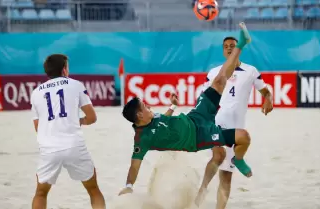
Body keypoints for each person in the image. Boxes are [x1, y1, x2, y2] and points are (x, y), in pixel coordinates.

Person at [118, 23, 252, 196]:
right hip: (198, 136)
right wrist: (129, 185)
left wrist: (173, 106)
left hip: (194, 117)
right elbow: (134, 165)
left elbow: (163, 119)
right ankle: (238, 159)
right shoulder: (141, 139)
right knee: (244, 137)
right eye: (145, 106)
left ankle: (241, 44)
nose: (149, 106)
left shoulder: (151, 117)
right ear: (139, 115)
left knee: (219, 81)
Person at [194, 36, 273, 208]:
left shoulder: (251, 71)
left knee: (226, 175)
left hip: (237, 126)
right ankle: (203, 188)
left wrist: (269, 99)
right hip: (216, 121)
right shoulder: (214, 72)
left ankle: (237, 161)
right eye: (226, 46)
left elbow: (265, 91)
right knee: (218, 156)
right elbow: (202, 98)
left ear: (239, 48)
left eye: (233, 46)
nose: (229, 48)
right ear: (223, 51)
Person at [30, 54, 105, 209]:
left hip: (49, 148)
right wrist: (79, 121)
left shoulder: (36, 92)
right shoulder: (76, 85)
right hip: (73, 145)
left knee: (41, 193)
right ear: (64, 69)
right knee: (93, 189)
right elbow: (92, 117)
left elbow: (38, 128)